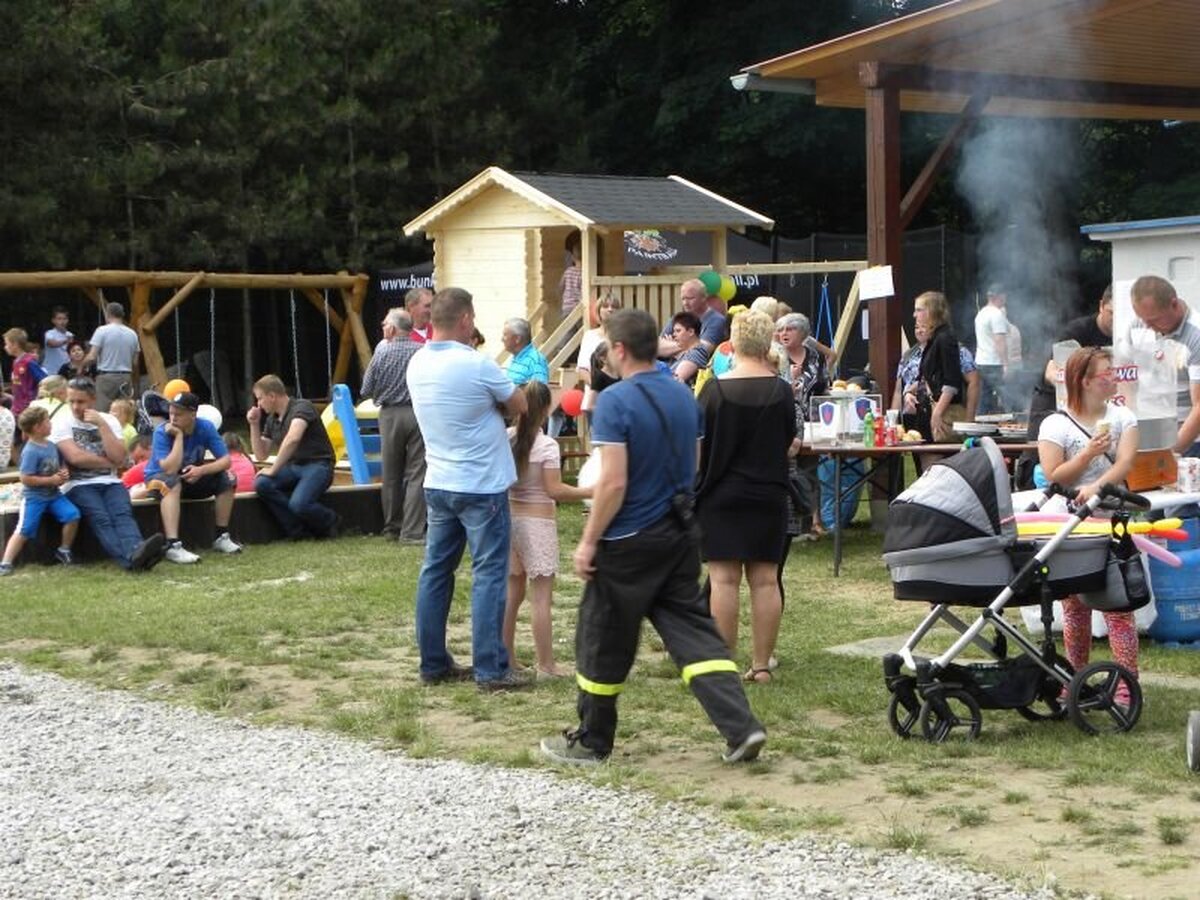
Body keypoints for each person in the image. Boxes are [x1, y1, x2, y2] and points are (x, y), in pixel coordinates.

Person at [539, 308, 766, 766]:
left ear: (620, 350)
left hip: (627, 540)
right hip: (679, 533)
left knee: (601, 638)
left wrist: (589, 540)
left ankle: (592, 741)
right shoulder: (684, 396)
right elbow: (694, 463)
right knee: (694, 634)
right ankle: (742, 728)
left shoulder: (616, 402)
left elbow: (613, 482)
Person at [407, 287, 531, 691]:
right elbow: (519, 404)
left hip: (439, 481)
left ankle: (433, 663)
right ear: (464, 319)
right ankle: (491, 669)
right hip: (481, 484)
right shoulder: (477, 364)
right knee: (489, 574)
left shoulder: (417, 362)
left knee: (436, 571)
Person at [696, 311, 795, 684]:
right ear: (768, 342)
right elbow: (788, 440)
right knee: (765, 580)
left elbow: (700, 449)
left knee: (723, 581)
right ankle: (762, 664)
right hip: (768, 493)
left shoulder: (714, 390)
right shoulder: (781, 391)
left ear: (733, 343)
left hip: (721, 495)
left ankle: (724, 666)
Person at [1038, 347, 1139, 700]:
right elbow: (1054, 475)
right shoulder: (1055, 424)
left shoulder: (1124, 417)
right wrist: (1088, 454)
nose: (1114, 377)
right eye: (1106, 373)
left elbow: (1125, 464)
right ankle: (1074, 679)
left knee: (1118, 606)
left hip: (1112, 521)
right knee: (1074, 607)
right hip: (1071, 525)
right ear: (1084, 381)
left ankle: (1126, 686)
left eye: (1114, 371)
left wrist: (1097, 487)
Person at [503, 380, 591, 678]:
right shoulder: (546, 445)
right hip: (538, 524)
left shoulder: (506, 438)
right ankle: (546, 664)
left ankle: (507, 657)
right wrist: (591, 491)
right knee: (540, 598)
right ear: (545, 410)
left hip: (510, 519)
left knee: (512, 594)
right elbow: (554, 489)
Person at [50, 377, 165, 571]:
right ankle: (131, 559)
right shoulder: (61, 422)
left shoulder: (109, 420)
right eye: (72, 401)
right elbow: (76, 458)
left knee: (123, 515)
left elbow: (119, 455)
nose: (75, 407)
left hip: (110, 481)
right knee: (101, 518)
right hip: (78, 484)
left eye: (81, 401)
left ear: (93, 400)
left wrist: (101, 425)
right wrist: (111, 462)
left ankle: (138, 551)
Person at [143, 391, 242, 563]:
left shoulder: (205, 427)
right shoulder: (162, 432)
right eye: (171, 413)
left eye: (179, 414)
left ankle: (221, 537)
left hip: (188, 478)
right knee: (172, 481)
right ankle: (173, 545)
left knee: (228, 478)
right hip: (157, 479)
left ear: (193, 414)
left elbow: (226, 461)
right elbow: (169, 469)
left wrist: (201, 470)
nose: (173, 418)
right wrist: (178, 437)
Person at [361, 307, 426, 543]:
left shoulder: (382, 351)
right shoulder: (422, 352)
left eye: (385, 323)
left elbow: (366, 388)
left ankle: (392, 527)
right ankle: (413, 531)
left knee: (391, 473)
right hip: (417, 413)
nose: (382, 326)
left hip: (389, 415)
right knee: (418, 473)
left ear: (392, 328)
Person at [247, 374, 338, 540]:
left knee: (300, 504)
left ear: (272, 396)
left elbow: (293, 438)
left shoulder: (302, 407)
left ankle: (330, 520)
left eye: (260, 398)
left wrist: (273, 469)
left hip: (318, 465)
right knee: (262, 484)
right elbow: (261, 454)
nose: (258, 404)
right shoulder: (272, 420)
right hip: (293, 467)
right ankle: (297, 531)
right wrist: (254, 424)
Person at [0, 406, 81, 575]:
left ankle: (64, 550)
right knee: (25, 529)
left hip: (54, 495)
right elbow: (25, 478)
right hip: (35, 497)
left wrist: (63, 472)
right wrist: (51, 480)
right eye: (47, 421)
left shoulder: (51, 446)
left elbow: (60, 465)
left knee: (72, 515)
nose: (51, 424)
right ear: (37, 427)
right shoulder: (30, 451)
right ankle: (6, 562)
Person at [1129, 275, 1200, 456]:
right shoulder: (1138, 326)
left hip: (1187, 437)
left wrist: (1169, 452)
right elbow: (1126, 379)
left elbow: (1199, 406)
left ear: (1173, 304)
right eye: (1142, 318)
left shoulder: (1196, 336)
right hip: (1146, 432)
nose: (1147, 326)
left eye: (1154, 320)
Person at [778, 312, 826, 546]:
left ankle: (815, 520)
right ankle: (793, 522)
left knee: (811, 469)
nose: (784, 333)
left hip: (813, 420)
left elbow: (823, 383)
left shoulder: (815, 356)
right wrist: (791, 379)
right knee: (792, 470)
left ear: (803, 333)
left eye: (790, 329)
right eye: (781, 329)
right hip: (787, 420)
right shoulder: (775, 356)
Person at [911, 291, 966, 442]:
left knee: (941, 451)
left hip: (945, 411)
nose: (914, 315)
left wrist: (938, 412)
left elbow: (951, 381)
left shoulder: (945, 338)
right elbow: (928, 376)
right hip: (929, 407)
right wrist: (909, 392)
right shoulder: (935, 338)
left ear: (931, 311)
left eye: (919, 310)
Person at [657, 279, 728, 384]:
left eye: (690, 298)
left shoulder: (716, 320)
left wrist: (671, 347)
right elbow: (657, 347)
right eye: (683, 299)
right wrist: (688, 345)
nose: (685, 303)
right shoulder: (678, 318)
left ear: (703, 298)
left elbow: (702, 349)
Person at [85, 302, 140, 413]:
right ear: (122, 315)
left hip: (106, 378)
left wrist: (81, 366)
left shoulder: (102, 331)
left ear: (108, 314)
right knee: (123, 412)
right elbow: (135, 362)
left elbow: (92, 357)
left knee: (103, 412)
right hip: (125, 377)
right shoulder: (132, 334)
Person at [576, 294, 622, 415]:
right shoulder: (589, 336)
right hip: (594, 401)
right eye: (606, 306)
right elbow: (582, 369)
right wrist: (598, 387)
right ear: (598, 310)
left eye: (614, 307)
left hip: (619, 400)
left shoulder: (624, 336)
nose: (610, 310)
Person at [973, 284, 1009, 415]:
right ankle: (1012, 418)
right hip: (994, 363)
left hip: (981, 361)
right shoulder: (997, 314)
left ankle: (980, 420)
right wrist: (1005, 364)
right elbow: (999, 341)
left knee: (985, 397)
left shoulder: (981, 314)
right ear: (1000, 297)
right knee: (1006, 395)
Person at [4, 328, 45, 417]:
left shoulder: (28, 362)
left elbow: (44, 380)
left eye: (6, 344)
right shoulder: (16, 362)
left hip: (27, 408)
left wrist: (36, 399)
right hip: (17, 407)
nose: (5, 347)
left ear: (15, 344)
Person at [502, 317, 549, 385]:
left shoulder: (535, 361)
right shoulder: (517, 358)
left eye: (505, 335)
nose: (502, 339)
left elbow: (539, 390)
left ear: (517, 339)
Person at [667, 311, 704, 386]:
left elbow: (674, 381)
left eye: (678, 331)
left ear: (691, 332)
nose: (674, 335)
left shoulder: (696, 353)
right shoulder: (688, 353)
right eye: (674, 331)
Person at [43, 306, 73, 375]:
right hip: (50, 372)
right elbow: (51, 344)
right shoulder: (49, 333)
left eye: (64, 319)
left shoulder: (70, 335)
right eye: (59, 319)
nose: (62, 321)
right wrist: (66, 341)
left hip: (65, 372)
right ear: (53, 320)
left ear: (67, 320)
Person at [560, 232, 582, 320]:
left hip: (567, 307)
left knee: (567, 327)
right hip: (578, 308)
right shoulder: (583, 273)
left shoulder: (568, 271)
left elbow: (561, 286)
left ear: (572, 257)